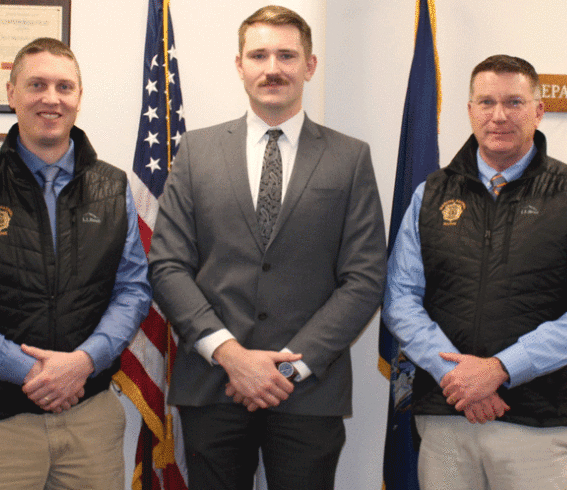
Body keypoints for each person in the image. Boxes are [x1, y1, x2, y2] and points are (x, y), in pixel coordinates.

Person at [148, 5, 387, 490]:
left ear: (310, 65)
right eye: (258, 55)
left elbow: (364, 278)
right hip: (214, 385)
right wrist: (231, 355)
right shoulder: (195, 152)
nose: (272, 68)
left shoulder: (350, 158)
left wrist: (291, 367)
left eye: (286, 55)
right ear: (240, 65)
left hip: (307, 393)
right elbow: (168, 265)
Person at [0, 37, 152, 489]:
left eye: (64, 86)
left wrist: (85, 362)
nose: (51, 98)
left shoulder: (113, 186)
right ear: (12, 94)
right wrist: (30, 371)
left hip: (89, 420)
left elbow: (133, 289)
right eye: (36, 85)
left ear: (79, 98)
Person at [383, 54, 567, 489]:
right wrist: (458, 378)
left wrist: (500, 369)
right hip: (445, 419)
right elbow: (399, 299)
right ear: (470, 110)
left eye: (514, 102)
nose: (499, 116)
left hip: (537, 423)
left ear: (538, 111)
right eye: (486, 102)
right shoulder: (429, 194)